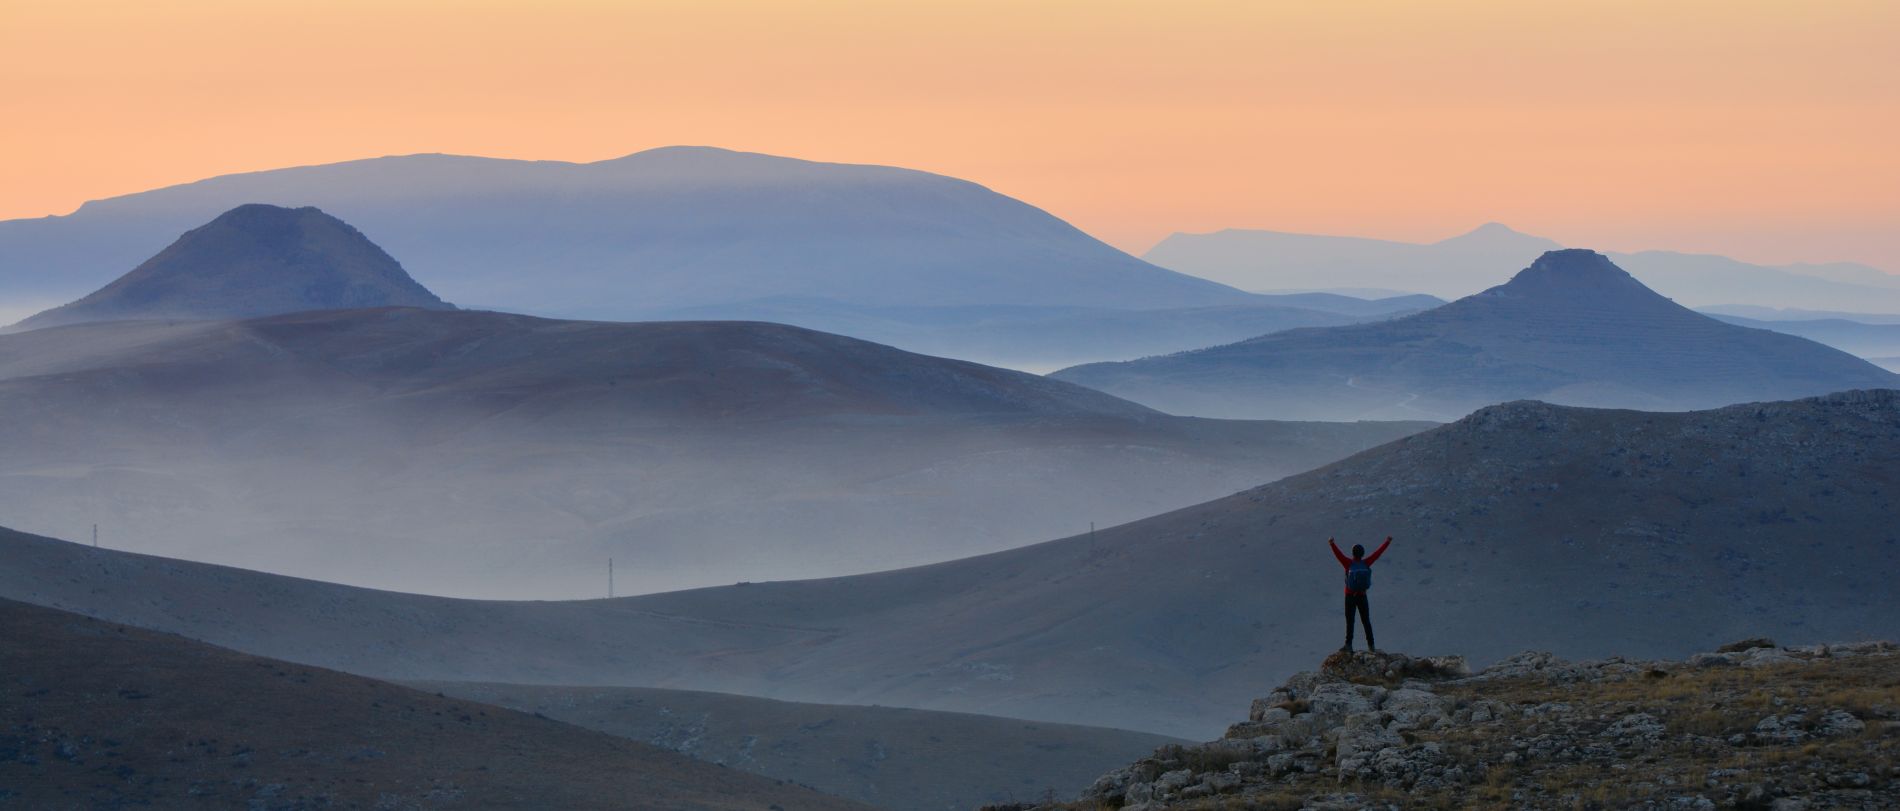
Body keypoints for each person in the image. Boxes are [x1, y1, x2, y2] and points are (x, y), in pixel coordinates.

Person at [1330, 536, 1391, 653]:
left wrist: (1332, 544)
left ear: (1353, 553)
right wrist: (1387, 542)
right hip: (1362, 596)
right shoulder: (1366, 563)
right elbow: (1377, 553)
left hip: (1349, 596)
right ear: (1362, 554)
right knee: (1366, 621)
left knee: (1350, 621)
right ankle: (1371, 646)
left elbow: (1338, 555)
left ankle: (1348, 645)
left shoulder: (1348, 563)